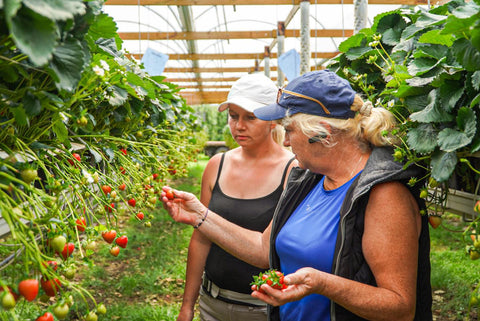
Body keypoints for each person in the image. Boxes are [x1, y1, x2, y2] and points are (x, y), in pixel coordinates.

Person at [163, 70, 432, 321]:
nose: (286, 142)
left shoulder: (383, 194)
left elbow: (400, 306)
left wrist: (323, 283)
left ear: (322, 133)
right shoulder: (310, 180)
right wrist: (200, 215)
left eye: (289, 130)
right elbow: (262, 249)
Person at [177, 73, 297, 321]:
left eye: (250, 117)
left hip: (265, 309)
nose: (239, 126)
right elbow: (201, 239)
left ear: (272, 119)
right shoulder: (216, 165)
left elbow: (275, 250)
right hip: (213, 304)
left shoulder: (293, 171)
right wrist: (188, 305)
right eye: (233, 116)